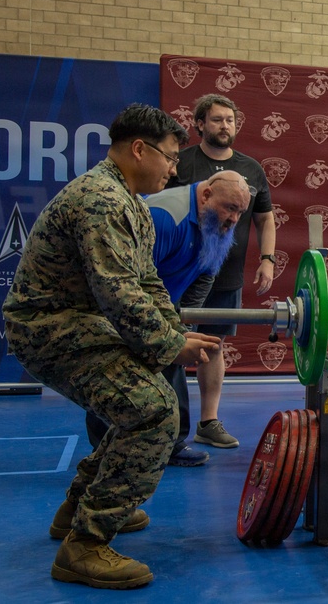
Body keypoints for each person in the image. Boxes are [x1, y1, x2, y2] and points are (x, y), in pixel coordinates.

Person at [2, 104, 222, 589]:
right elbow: (118, 293)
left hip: (77, 321)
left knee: (139, 404)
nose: (173, 169)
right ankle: (84, 545)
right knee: (154, 410)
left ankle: (79, 508)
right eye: (170, 157)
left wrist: (175, 332)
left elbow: (148, 282)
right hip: (47, 327)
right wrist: (171, 345)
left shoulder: (132, 203)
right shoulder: (102, 200)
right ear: (139, 149)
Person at [84, 171, 252, 465]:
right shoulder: (165, 217)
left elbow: (206, 274)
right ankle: (104, 451)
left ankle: (173, 445)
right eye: (230, 208)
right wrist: (151, 326)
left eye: (240, 212)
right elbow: (131, 278)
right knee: (115, 373)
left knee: (174, 364)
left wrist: (182, 326)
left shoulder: (217, 223)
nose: (234, 219)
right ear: (206, 195)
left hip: (165, 304)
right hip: (124, 303)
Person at [166, 94, 276, 449]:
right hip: (180, 272)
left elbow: (265, 218)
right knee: (168, 344)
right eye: (217, 119)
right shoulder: (180, 163)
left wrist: (268, 259)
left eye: (230, 120)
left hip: (226, 275)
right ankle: (166, 427)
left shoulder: (251, 168)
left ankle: (208, 422)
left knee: (213, 346)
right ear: (199, 124)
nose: (225, 126)